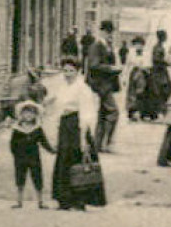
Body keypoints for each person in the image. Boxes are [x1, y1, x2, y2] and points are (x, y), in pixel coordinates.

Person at [48, 57, 106, 210]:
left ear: (78, 71)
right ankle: (64, 199)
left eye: (71, 71)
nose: (67, 74)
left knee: (77, 158)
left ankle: (79, 200)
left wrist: (84, 137)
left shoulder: (82, 88)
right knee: (63, 158)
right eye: (65, 71)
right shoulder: (62, 87)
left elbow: (87, 112)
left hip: (78, 126)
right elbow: (57, 106)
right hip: (65, 125)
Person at [0, 99, 55, 208]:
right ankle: (19, 201)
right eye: (26, 112)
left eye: (32, 113)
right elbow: (12, 143)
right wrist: (15, 153)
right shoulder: (17, 129)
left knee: (37, 177)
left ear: (35, 115)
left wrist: (52, 150)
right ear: (21, 115)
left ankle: (40, 201)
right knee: (20, 178)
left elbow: (44, 142)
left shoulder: (37, 129)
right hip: (20, 157)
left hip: (34, 157)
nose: (28, 115)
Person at [85, 19, 122, 153]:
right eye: (106, 31)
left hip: (105, 84)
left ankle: (97, 144)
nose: (109, 34)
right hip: (100, 84)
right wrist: (112, 68)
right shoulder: (97, 45)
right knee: (113, 112)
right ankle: (107, 142)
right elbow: (94, 65)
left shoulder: (106, 45)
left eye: (110, 32)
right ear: (101, 31)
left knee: (103, 114)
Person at [144, 28, 171, 115]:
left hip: (160, 71)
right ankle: (160, 111)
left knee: (162, 91)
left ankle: (161, 111)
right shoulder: (158, 47)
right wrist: (167, 63)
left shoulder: (159, 46)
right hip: (158, 72)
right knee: (161, 91)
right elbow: (156, 59)